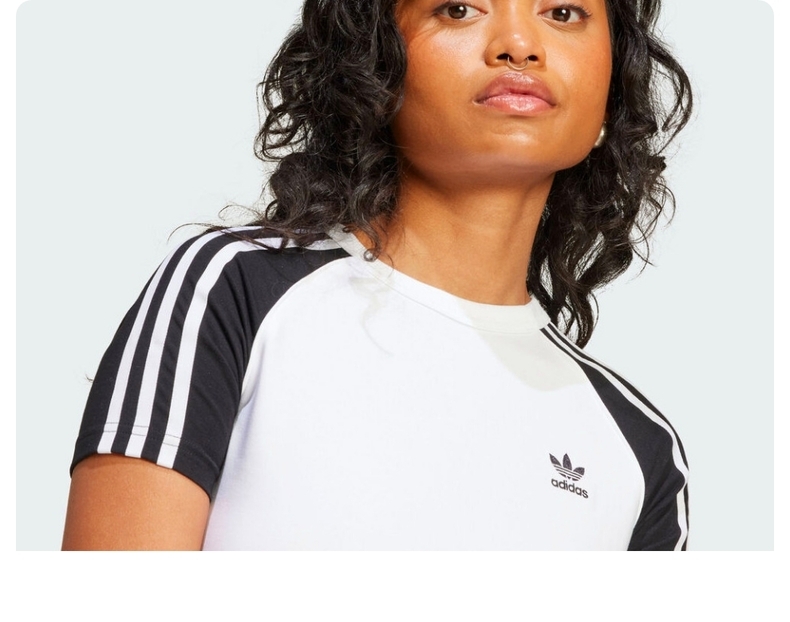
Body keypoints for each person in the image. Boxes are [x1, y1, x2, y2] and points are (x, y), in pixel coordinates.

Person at [62, 0, 692, 550]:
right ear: (373, 63)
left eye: (563, 13)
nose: (519, 45)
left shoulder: (638, 451)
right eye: (457, 8)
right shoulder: (233, 291)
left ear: (613, 82)